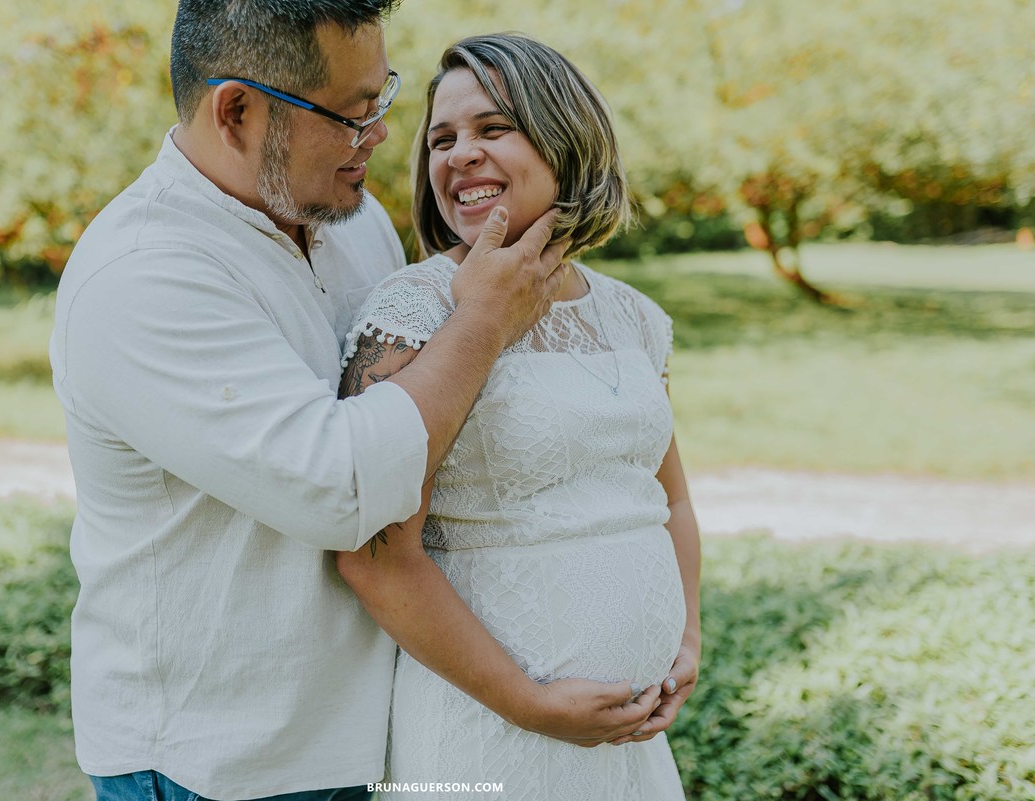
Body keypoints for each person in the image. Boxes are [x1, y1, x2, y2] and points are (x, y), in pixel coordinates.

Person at [50, 3, 667, 800]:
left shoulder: (351, 220)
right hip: (220, 761)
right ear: (237, 112)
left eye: (383, 97)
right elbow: (343, 491)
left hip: (371, 734)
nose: (379, 134)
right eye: (350, 113)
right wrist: (483, 321)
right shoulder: (144, 273)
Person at [336, 33, 703, 800]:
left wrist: (684, 638)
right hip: (481, 735)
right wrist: (531, 704)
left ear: (566, 137)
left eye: (493, 128)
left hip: (628, 744)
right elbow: (373, 555)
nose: (460, 154)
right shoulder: (410, 312)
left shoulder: (634, 318)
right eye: (442, 139)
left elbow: (667, 498)